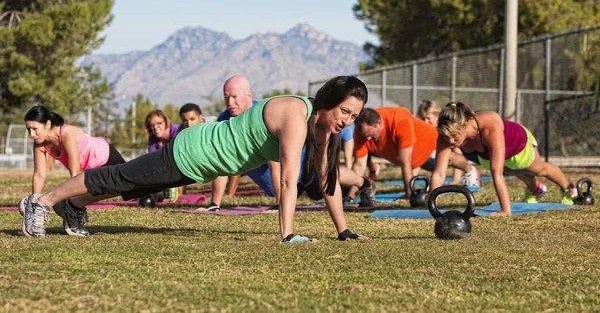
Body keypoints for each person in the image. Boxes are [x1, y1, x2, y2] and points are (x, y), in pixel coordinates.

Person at [21, 75, 369, 243]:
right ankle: (41, 201)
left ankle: (75, 205)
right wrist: (288, 234)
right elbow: (289, 178)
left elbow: (327, 182)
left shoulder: (322, 128)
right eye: (345, 111)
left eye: (354, 117)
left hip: (200, 165)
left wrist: (344, 230)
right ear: (328, 100)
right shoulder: (296, 114)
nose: (347, 121)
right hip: (192, 150)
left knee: (126, 186)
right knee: (119, 177)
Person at [430, 101, 579, 216]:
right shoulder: (446, 135)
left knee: (538, 169)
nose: (450, 141)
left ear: (466, 124)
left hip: (518, 145)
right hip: (487, 153)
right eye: (446, 136)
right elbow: (439, 173)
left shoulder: (488, 126)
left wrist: (505, 210)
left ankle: (569, 188)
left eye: (454, 136)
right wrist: (432, 204)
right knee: (514, 171)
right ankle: (535, 190)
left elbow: (497, 172)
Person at [22, 106, 126, 236]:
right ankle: (61, 207)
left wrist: (75, 203)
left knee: (127, 187)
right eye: (28, 129)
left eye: (35, 129)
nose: (31, 134)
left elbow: (75, 175)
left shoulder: (66, 133)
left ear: (48, 124)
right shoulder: (39, 143)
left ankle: (69, 207)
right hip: (89, 168)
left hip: (105, 156)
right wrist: (34, 202)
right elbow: (39, 174)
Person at [352, 107, 480, 198]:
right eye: (365, 136)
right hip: (413, 159)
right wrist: (350, 194)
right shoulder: (361, 133)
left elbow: (405, 161)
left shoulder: (399, 120)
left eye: (370, 135)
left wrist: (409, 193)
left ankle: (471, 171)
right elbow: (359, 165)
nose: (367, 139)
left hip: (428, 143)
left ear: (379, 123)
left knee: (449, 158)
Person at [205, 76, 280, 211]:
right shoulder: (224, 119)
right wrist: (214, 205)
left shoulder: (264, 115)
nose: (230, 102)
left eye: (234, 97)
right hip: (272, 189)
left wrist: (281, 204)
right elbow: (221, 161)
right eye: (226, 97)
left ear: (249, 95)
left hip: (302, 180)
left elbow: (276, 163)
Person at [417, 100, 479, 185]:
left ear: (436, 116)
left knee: (449, 155)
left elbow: (457, 152)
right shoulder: (423, 130)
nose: (425, 122)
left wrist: (455, 180)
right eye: (423, 118)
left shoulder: (444, 131)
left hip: (447, 157)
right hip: (432, 159)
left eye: (428, 118)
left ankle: (470, 170)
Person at [144, 110, 180, 202]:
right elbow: (151, 158)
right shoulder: (152, 137)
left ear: (166, 122)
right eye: (152, 125)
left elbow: (178, 156)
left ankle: (177, 193)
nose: (155, 127)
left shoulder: (176, 130)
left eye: (159, 123)